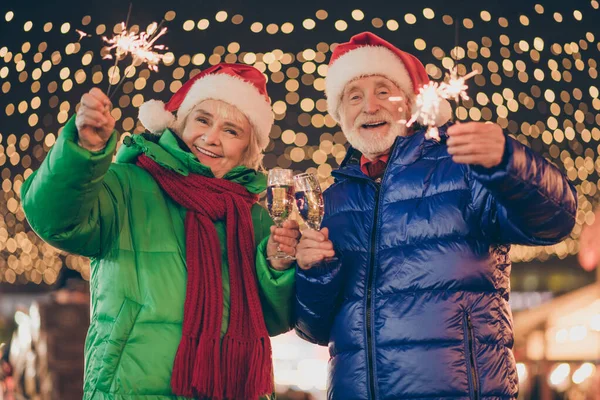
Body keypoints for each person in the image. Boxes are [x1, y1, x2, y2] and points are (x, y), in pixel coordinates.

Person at [294, 32, 577, 399]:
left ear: (411, 103)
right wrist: (315, 273)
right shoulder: (331, 201)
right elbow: (313, 328)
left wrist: (510, 161)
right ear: (340, 113)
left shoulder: (462, 168)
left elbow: (556, 220)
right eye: (353, 96)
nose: (368, 107)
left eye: (383, 91)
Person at [21, 63, 301, 400]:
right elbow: (54, 220)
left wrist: (278, 266)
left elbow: (274, 319)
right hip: (131, 389)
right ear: (181, 122)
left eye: (231, 131)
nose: (211, 138)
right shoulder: (127, 185)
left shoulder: (255, 219)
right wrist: (83, 152)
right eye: (202, 120)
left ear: (248, 148)